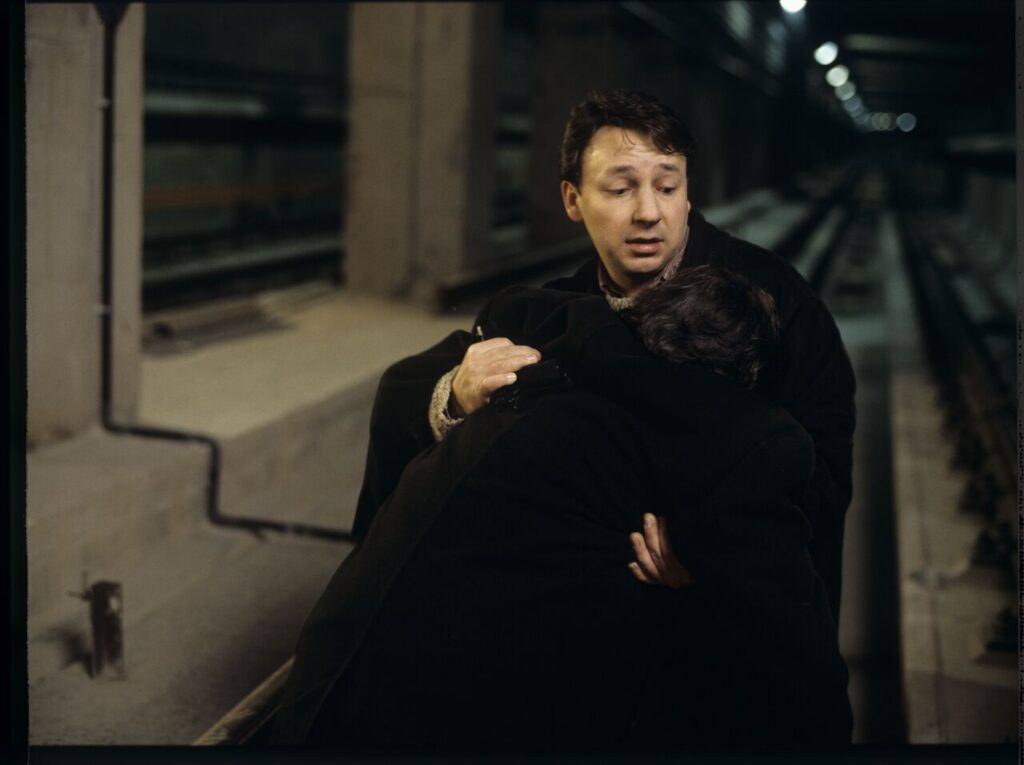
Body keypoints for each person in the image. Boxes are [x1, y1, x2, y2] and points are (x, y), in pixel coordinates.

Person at [272, 266, 853, 751]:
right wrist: (704, 582)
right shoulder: (729, 443)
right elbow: (801, 677)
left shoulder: (548, 360)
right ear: (743, 382)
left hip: (326, 688)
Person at [351, 89, 855, 623]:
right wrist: (455, 395)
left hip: (709, 618)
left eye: (667, 186)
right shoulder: (551, 308)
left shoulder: (774, 300)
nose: (648, 213)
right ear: (573, 200)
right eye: (620, 188)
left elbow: (820, 467)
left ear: (688, 195)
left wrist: (714, 555)